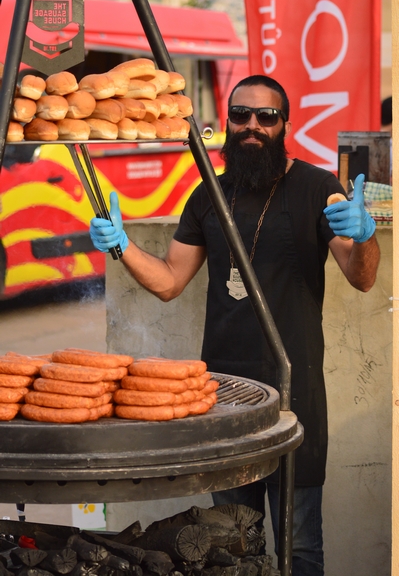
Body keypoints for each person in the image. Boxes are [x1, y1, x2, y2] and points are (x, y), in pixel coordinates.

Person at [89, 75, 380, 576]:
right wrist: (121, 246)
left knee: (302, 544)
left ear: (285, 125)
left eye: (266, 117)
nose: (252, 127)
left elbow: (362, 279)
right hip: (225, 395)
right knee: (232, 544)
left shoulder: (317, 187)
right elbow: (169, 281)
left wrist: (365, 237)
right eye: (241, 115)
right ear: (226, 122)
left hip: (297, 391)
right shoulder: (208, 195)